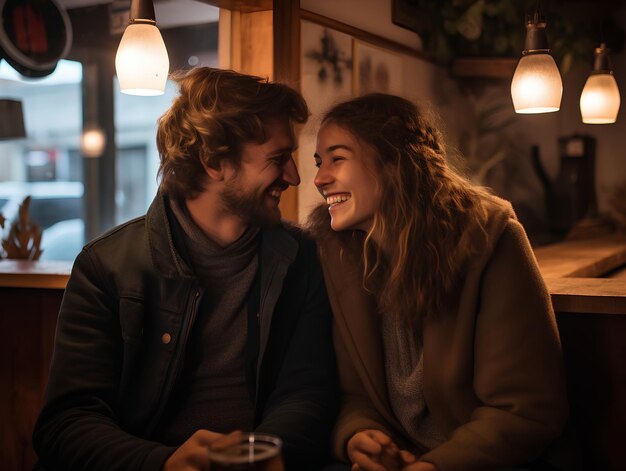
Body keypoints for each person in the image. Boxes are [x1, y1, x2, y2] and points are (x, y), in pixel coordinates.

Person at [33, 67, 338, 471]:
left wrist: (256, 455)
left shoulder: (301, 257)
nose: (296, 177)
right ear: (215, 161)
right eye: (278, 159)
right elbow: (65, 423)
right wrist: (161, 463)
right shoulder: (105, 267)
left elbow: (307, 392)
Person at [308, 93, 568, 471]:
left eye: (337, 158)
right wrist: (358, 435)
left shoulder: (489, 239)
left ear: (393, 161)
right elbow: (354, 395)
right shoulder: (338, 254)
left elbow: (526, 410)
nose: (319, 178)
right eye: (319, 162)